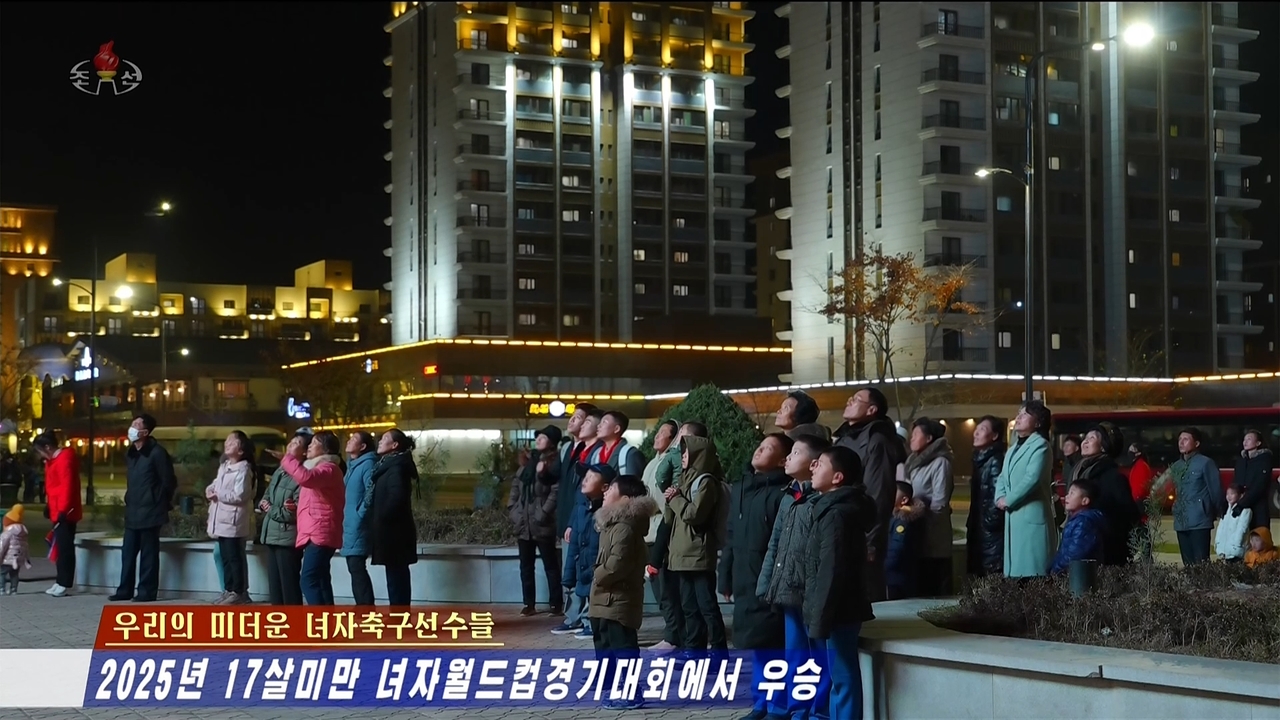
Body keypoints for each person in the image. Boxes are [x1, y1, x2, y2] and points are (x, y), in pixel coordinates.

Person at [719, 433, 792, 720]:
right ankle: (761, 701)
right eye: (760, 445)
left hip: (769, 579)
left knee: (773, 643)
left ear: (782, 460)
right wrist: (725, 574)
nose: (759, 450)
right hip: (744, 576)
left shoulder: (782, 492)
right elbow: (731, 535)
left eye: (769, 448)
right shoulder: (742, 487)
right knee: (756, 645)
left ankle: (778, 706)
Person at [758, 433, 829, 720]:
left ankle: (818, 710)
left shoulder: (820, 499)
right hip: (787, 587)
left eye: (796, 452)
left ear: (814, 464)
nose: (788, 457)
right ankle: (796, 707)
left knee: (818, 654)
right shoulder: (789, 496)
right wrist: (766, 582)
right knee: (795, 653)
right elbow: (774, 543)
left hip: (810, 589)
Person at [803, 446, 875, 720]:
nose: (813, 467)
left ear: (837, 478)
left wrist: (820, 618)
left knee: (842, 677)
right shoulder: (829, 509)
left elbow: (831, 571)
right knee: (833, 676)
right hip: (828, 609)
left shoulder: (837, 515)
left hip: (837, 611)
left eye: (820, 464)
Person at [588, 473, 658, 711]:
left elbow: (618, 563)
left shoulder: (625, 529)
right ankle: (607, 684)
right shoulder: (611, 525)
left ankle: (631, 693)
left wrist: (598, 575)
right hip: (604, 599)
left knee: (623, 646)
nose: (605, 491)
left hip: (619, 599)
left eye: (611, 489)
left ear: (625, 499)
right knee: (604, 642)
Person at [832, 386, 905, 602]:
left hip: (860, 533)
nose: (849, 401)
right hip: (839, 524)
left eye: (856, 400)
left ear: (872, 409)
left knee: (863, 593)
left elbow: (878, 494)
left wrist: (871, 541)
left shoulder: (877, 440)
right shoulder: (845, 437)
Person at [664, 434, 729, 651]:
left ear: (699, 456)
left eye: (686, 453)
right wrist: (672, 497)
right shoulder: (685, 479)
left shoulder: (706, 481)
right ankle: (694, 649)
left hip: (699, 553)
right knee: (689, 606)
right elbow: (672, 518)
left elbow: (695, 514)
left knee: (707, 606)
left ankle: (718, 650)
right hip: (683, 552)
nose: (682, 457)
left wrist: (675, 498)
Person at [111, 414, 177, 603]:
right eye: (132, 424)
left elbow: (168, 481)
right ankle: (124, 589)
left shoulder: (157, 453)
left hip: (151, 511)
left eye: (136, 425)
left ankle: (146, 592)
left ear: (145, 432)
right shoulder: (132, 453)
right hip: (133, 510)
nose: (132, 427)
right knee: (128, 553)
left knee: (149, 555)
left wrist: (159, 501)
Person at [279, 431, 345, 605]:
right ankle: (327, 626)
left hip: (320, 532)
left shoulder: (328, 468)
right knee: (321, 580)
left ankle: (319, 626)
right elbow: (319, 498)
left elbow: (305, 478)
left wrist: (289, 458)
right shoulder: (322, 469)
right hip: (317, 530)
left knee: (308, 580)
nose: (308, 446)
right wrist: (297, 506)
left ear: (326, 449)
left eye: (313, 443)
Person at [994, 401, 1056, 578]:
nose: (1019, 417)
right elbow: (1002, 476)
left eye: (1025, 414)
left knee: (1032, 573)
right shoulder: (1013, 448)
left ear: (1038, 423)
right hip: (1014, 516)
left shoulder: (1041, 446)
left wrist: (1009, 500)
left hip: (1031, 515)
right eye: (1018, 413)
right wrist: (999, 497)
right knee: (1016, 574)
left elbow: (1032, 478)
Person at [507, 425, 563, 617]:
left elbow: (555, 492)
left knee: (551, 565)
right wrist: (514, 512)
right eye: (537, 437)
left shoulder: (554, 464)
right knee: (526, 566)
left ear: (552, 443)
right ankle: (528, 603)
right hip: (524, 524)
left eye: (543, 437)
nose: (538, 439)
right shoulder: (527, 464)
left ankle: (556, 603)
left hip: (542, 524)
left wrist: (543, 513)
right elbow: (515, 488)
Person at [898, 417, 954, 596]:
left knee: (933, 587)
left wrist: (917, 512)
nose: (911, 439)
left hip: (933, 536)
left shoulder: (940, 463)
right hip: (915, 531)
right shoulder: (914, 463)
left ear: (929, 439)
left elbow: (940, 502)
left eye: (916, 435)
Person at [1071, 423, 1140, 567]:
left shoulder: (1112, 477)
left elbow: (1128, 514)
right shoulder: (1078, 472)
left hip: (1103, 551)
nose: (1086, 441)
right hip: (1079, 544)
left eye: (1092, 438)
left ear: (1103, 446)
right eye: (1086, 437)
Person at [640, 419, 682, 651]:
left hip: (661, 530)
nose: (657, 437)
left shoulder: (671, 461)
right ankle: (672, 632)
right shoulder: (653, 462)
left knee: (666, 587)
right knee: (658, 586)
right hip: (649, 530)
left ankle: (673, 635)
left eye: (663, 434)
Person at [206, 431, 258, 605]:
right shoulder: (225, 466)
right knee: (226, 557)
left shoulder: (243, 469)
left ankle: (238, 591)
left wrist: (218, 493)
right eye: (226, 440)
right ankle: (228, 590)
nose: (227, 443)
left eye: (232, 442)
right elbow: (216, 483)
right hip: (222, 519)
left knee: (234, 557)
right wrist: (210, 489)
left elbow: (240, 495)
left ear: (241, 450)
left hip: (233, 521)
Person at [560, 463, 612, 638]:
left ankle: (594, 623)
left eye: (591, 477)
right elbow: (574, 544)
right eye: (585, 476)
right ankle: (585, 621)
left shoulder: (608, 512)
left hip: (598, 568)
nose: (585, 479)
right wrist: (568, 576)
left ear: (605, 487)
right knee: (585, 591)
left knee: (597, 594)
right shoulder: (582, 510)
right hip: (583, 565)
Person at [369, 429, 419, 605]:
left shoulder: (396, 468)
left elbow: (397, 498)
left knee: (397, 577)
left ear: (395, 445)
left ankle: (399, 617)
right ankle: (398, 615)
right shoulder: (389, 465)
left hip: (395, 532)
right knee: (395, 575)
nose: (380, 442)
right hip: (392, 531)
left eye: (384, 439)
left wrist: (381, 518)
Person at [33, 431, 81, 597]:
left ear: (47, 447)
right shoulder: (52, 462)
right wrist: (50, 505)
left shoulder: (63, 460)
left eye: (40, 451)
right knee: (60, 546)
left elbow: (67, 487)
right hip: (58, 509)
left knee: (65, 547)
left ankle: (64, 582)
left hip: (65, 512)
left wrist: (62, 510)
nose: (40, 455)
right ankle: (60, 580)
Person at [257, 436, 303, 605]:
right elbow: (267, 495)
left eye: (297, 443)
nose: (291, 444)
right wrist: (264, 504)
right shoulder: (280, 471)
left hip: (287, 538)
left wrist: (271, 510)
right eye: (291, 441)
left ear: (304, 452)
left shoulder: (301, 476)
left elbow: (295, 511)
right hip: (271, 535)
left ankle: (295, 625)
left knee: (289, 587)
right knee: (275, 588)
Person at [1170, 427, 1225, 565]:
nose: (1181, 443)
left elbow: (1215, 490)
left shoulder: (1206, 463)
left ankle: (1204, 587)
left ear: (1197, 443)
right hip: (1181, 520)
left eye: (1186, 439)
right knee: (1187, 563)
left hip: (1200, 520)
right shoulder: (1176, 466)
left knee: (1201, 563)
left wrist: (1218, 511)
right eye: (1180, 439)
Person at [966, 416, 1006, 577]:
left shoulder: (995, 460)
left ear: (994, 436)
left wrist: (989, 523)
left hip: (989, 532)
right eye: (977, 428)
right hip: (980, 528)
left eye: (982, 429)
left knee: (990, 575)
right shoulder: (981, 459)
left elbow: (998, 495)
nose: (976, 433)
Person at [341, 431, 377, 606]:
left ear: (362, 447)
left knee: (356, 567)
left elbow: (371, 492)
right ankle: (362, 607)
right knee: (354, 567)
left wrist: (360, 514)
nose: (349, 441)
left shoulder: (368, 464)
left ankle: (366, 608)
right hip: (350, 523)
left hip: (358, 524)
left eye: (354, 439)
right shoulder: (352, 465)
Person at [1049, 478, 1106, 575]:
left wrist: (1055, 570)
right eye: (1068, 493)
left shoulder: (1084, 523)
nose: (1067, 496)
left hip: (1080, 576)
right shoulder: (1077, 520)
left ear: (1085, 500)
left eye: (1072, 493)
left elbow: (1074, 554)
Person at [555, 403, 595, 536]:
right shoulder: (567, 448)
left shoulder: (590, 451)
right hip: (564, 518)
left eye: (577, 417)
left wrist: (572, 523)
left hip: (578, 523)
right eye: (572, 416)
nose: (571, 420)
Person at [885, 481, 922, 600]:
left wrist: (881, 567)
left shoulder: (902, 521)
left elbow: (897, 549)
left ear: (904, 500)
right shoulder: (893, 517)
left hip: (896, 578)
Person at [1234, 429, 1274, 532]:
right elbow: (1235, 482)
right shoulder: (1241, 461)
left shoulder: (1264, 460)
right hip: (1242, 506)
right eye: (1244, 439)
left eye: (1249, 439)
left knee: (1259, 537)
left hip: (1258, 507)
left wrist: (1243, 502)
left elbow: (1259, 486)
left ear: (1258, 443)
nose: (1245, 442)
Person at [595, 411, 646, 478]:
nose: (599, 426)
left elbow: (631, 485)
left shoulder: (630, 454)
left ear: (616, 429)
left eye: (604, 422)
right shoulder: (597, 454)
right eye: (600, 422)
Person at [1215, 484, 1251, 562]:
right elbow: (1220, 528)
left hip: (1236, 550)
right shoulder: (1226, 510)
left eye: (1232, 494)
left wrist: (1236, 545)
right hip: (1224, 550)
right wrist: (1217, 543)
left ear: (1240, 495)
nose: (1229, 496)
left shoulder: (1245, 510)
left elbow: (1242, 529)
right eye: (1227, 494)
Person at [0, 504, 31, 595]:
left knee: (2, 574)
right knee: (14, 575)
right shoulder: (23, 533)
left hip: (7, 559)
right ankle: (14, 589)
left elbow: (2, 546)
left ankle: (1, 589)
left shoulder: (7, 533)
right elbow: (25, 546)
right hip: (18, 558)